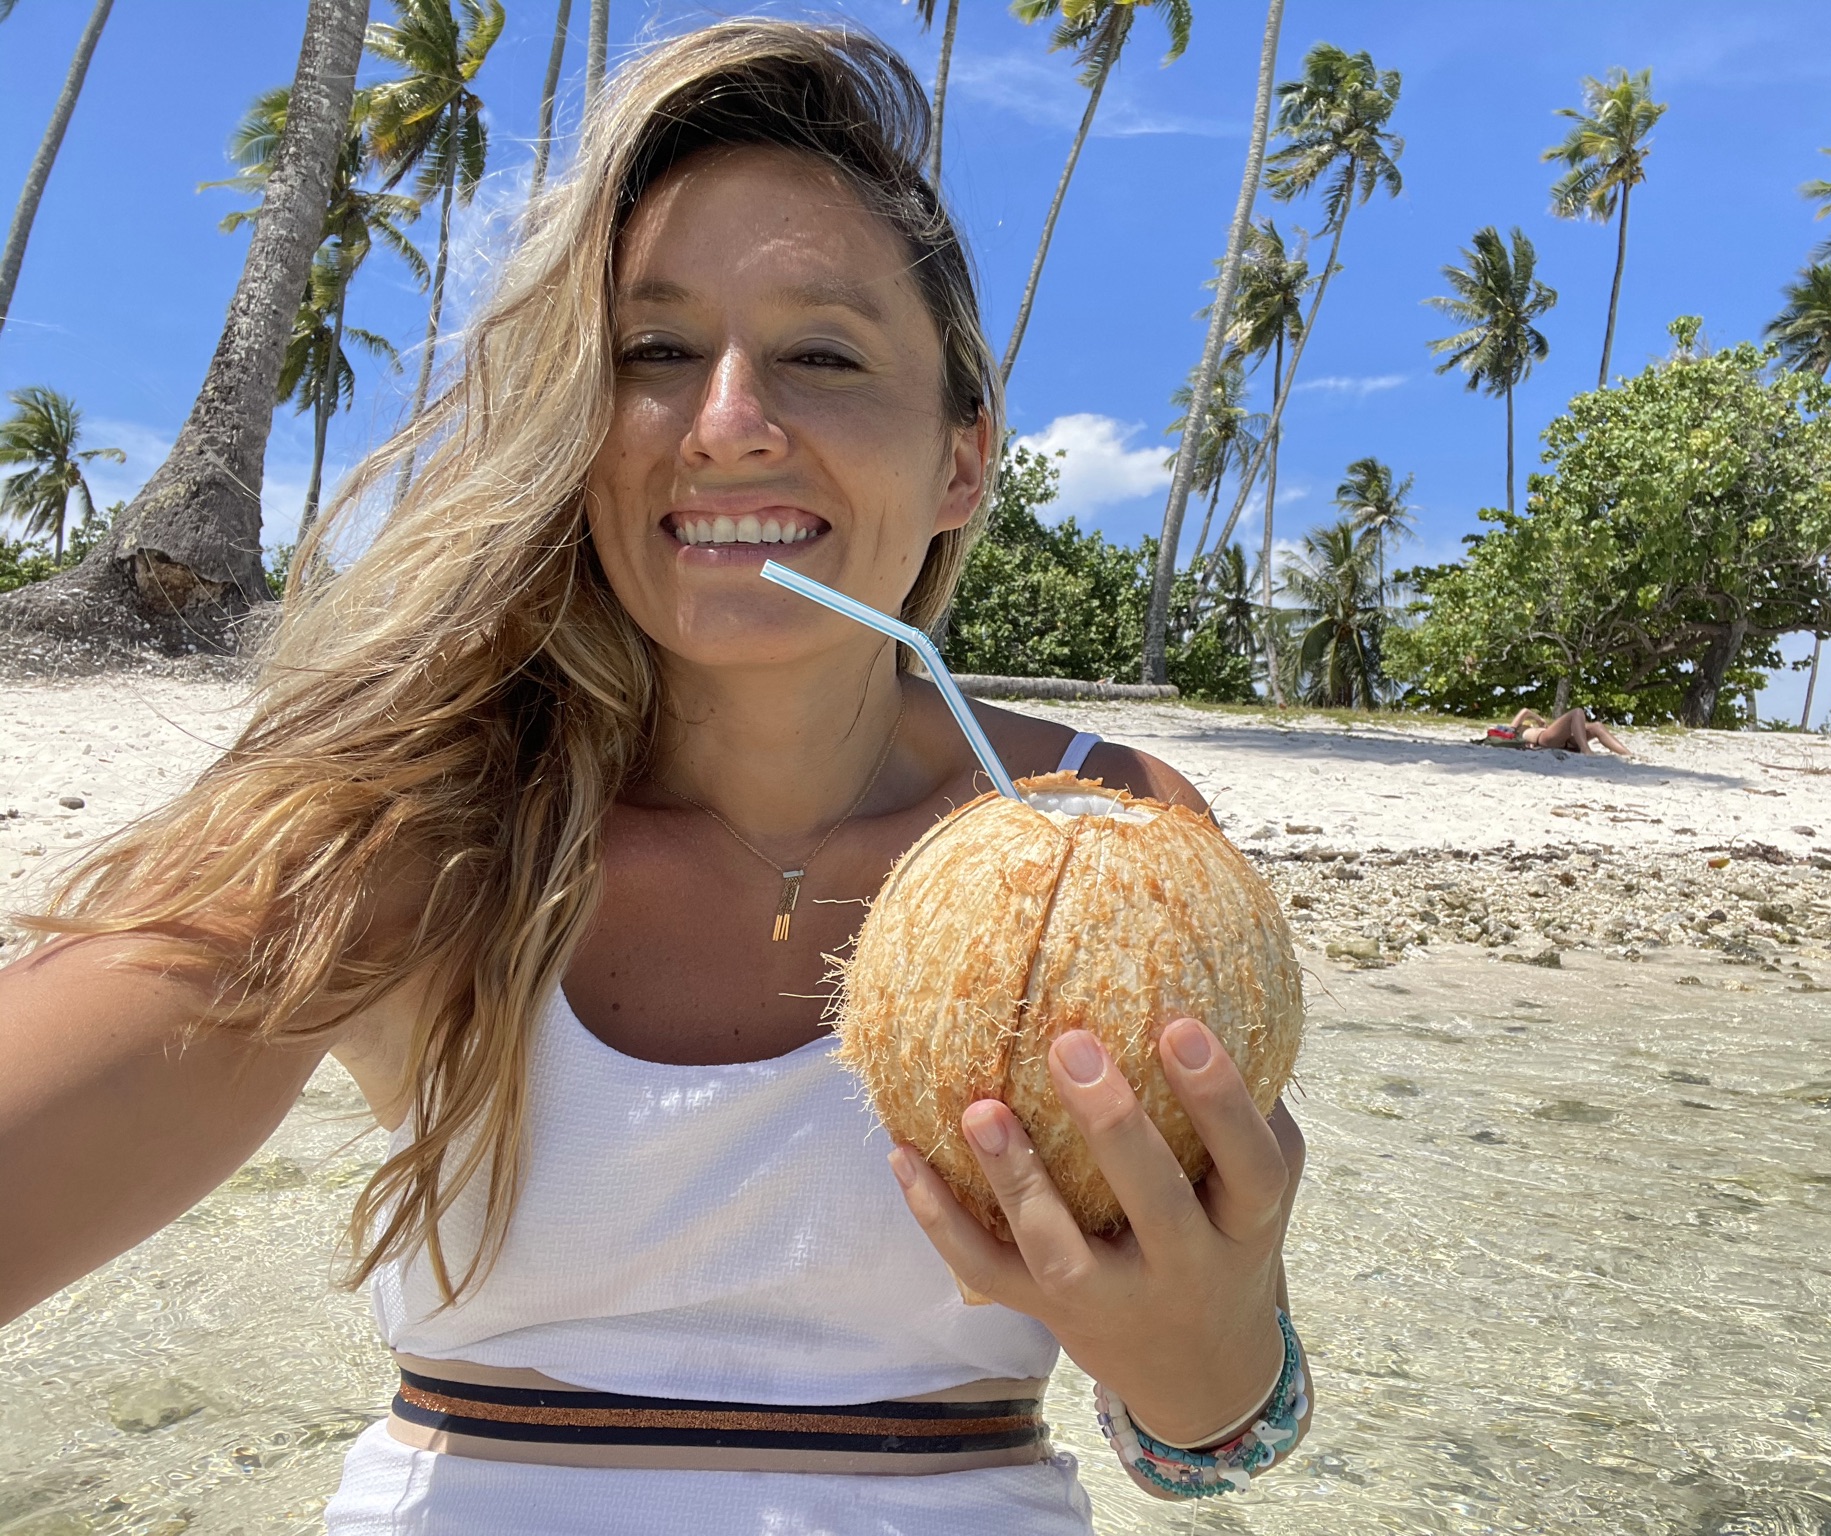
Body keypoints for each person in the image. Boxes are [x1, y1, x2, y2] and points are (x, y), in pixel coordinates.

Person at [0, 23, 1308, 1534]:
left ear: (963, 461)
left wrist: (1204, 1366)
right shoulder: (423, 824)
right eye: (655, 355)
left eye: (823, 355)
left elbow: (1214, 1429)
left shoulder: (1117, 833)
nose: (729, 425)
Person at [1493, 707, 1633, 756]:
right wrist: (1538, 719)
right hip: (1544, 739)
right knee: (1577, 712)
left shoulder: (1530, 728)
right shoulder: (1514, 730)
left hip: (1561, 741)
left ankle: (1627, 754)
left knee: (1596, 726)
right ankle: (1585, 750)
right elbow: (1525, 711)